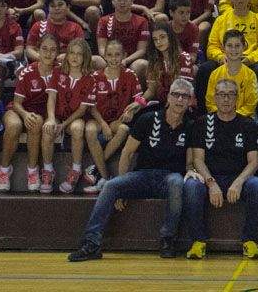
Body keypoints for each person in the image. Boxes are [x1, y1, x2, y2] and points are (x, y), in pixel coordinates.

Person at [69, 77, 200, 261]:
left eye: (185, 96)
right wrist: (123, 185)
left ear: (190, 101)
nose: (180, 100)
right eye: (176, 95)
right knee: (111, 186)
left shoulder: (191, 126)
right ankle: (91, 243)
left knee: (177, 182)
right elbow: (127, 153)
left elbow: (189, 161)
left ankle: (168, 239)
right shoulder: (147, 119)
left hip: (169, 177)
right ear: (168, 97)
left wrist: (192, 169)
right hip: (143, 175)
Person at [184, 77, 258, 261]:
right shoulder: (202, 123)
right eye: (221, 94)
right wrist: (211, 183)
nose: (226, 99)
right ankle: (198, 241)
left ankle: (250, 241)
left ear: (237, 98)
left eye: (230, 95)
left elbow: (254, 162)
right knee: (191, 186)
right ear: (215, 97)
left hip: (238, 178)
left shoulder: (248, 124)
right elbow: (198, 160)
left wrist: (238, 182)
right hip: (210, 177)